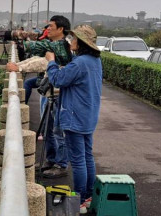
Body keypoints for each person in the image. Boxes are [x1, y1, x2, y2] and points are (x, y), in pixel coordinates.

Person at [44, 24, 102, 213]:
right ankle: (89, 195)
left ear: (82, 43)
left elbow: (58, 79)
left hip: (75, 116)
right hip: (88, 115)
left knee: (77, 160)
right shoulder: (93, 61)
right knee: (87, 156)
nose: (71, 41)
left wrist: (51, 61)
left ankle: (79, 199)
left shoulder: (80, 63)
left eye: (74, 39)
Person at [6, 15, 72, 178]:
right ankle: (50, 160)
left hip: (59, 95)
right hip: (49, 93)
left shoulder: (61, 46)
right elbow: (38, 58)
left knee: (58, 131)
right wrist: (19, 66)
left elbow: (42, 61)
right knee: (48, 130)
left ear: (60, 29)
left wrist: (19, 67)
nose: (47, 29)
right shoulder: (53, 45)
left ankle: (61, 164)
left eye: (50, 26)